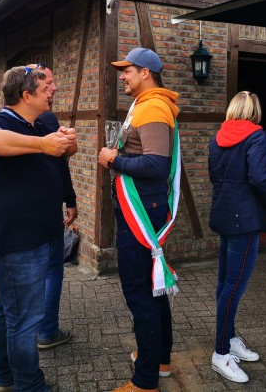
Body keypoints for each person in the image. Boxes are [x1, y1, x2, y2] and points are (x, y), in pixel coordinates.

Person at [0, 66, 76, 392]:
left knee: (8, 312)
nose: (53, 90)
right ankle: (29, 385)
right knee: (24, 321)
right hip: (16, 243)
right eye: (45, 87)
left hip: (35, 237)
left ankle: (4, 378)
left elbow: (57, 155)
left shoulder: (41, 124)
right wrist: (43, 145)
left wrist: (65, 145)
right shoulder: (1, 122)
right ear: (26, 95)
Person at [98, 48, 181, 392]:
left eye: (127, 70)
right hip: (143, 205)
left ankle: (145, 381)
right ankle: (159, 359)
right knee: (152, 287)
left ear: (145, 72)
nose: (122, 76)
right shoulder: (147, 104)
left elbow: (155, 165)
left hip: (141, 211)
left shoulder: (153, 107)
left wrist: (113, 160)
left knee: (138, 291)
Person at [208, 91, 266, 383]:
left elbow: (213, 174)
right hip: (245, 220)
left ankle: (228, 339)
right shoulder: (256, 136)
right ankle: (220, 353)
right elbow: (261, 177)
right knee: (233, 288)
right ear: (255, 111)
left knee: (224, 283)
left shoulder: (218, 137)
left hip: (223, 214)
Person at [26, 63, 79, 350]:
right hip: (44, 209)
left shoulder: (7, 122)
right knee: (51, 269)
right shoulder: (46, 119)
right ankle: (47, 331)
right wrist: (70, 200)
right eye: (48, 83)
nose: (54, 88)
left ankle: (29, 329)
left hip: (25, 210)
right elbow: (60, 165)